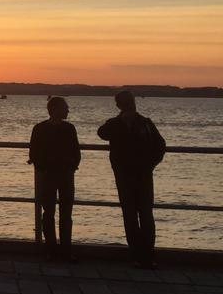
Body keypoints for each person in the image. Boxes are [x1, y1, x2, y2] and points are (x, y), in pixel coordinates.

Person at [97, 90, 166, 269]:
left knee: (142, 215)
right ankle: (140, 255)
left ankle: (145, 256)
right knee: (134, 215)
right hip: (128, 175)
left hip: (139, 175)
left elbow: (160, 146)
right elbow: (102, 133)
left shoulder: (145, 123)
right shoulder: (118, 124)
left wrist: (150, 165)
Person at [29, 96, 81, 262]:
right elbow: (34, 154)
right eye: (65, 107)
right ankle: (56, 250)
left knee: (59, 213)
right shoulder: (52, 129)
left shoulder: (45, 128)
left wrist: (71, 166)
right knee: (54, 213)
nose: (68, 110)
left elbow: (76, 153)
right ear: (56, 109)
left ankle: (59, 251)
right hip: (54, 175)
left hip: (61, 175)